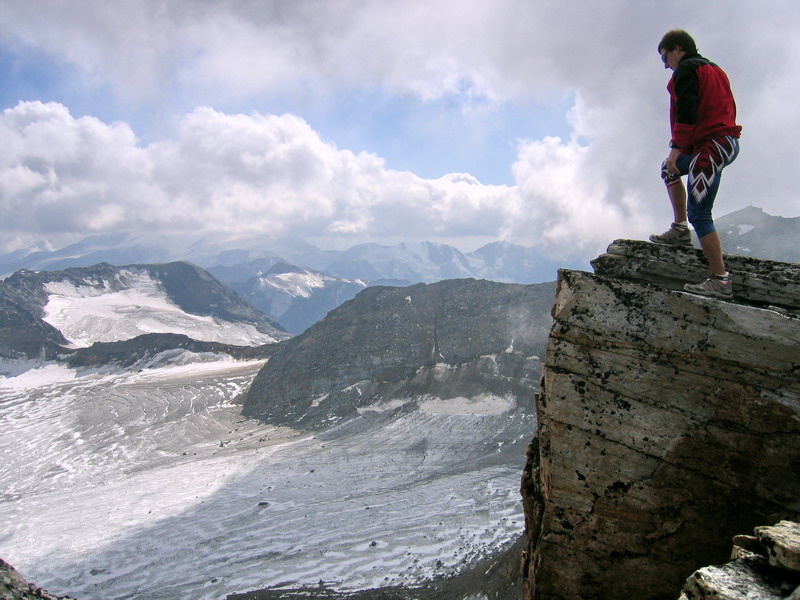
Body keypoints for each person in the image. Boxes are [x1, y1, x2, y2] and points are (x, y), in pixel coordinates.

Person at [649, 29, 742, 298]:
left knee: (700, 212)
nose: (665, 64)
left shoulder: (687, 70)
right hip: (721, 143)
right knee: (668, 170)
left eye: (665, 57)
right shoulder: (715, 70)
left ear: (678, 49)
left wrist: (676, 149)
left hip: (712, 146)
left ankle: (721, 280)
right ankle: (680, 229)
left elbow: (687, 112)